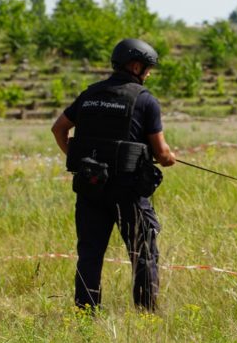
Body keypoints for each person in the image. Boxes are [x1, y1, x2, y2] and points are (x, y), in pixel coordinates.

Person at [50, 38, 177, 312]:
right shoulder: (145, 101)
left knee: (90, 255)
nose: (149, 73)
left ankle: (86, 313)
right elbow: (162, 152)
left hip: (90, 188)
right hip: (128, 192)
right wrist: (169, 159)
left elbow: (58, 129)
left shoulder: (90, 94)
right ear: (134, 66)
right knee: (143, 254)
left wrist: (77, 159)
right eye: (147, 68)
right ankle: (146, 315)